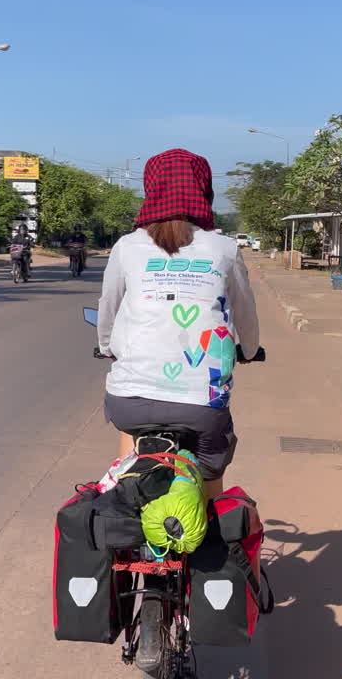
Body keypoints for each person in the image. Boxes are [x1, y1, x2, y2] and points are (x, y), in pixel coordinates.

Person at [96, 149, 260, 499]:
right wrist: (248, 349)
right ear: (204, 188)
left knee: (129, 463)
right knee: (211, 486)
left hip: (130, 400)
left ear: (151, 187)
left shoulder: (127, 246)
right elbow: (245, 311)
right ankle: (213, 530)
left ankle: (128, 499)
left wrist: (107, 346)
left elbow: (108, 307)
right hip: (202, 402)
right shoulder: (224, 247)